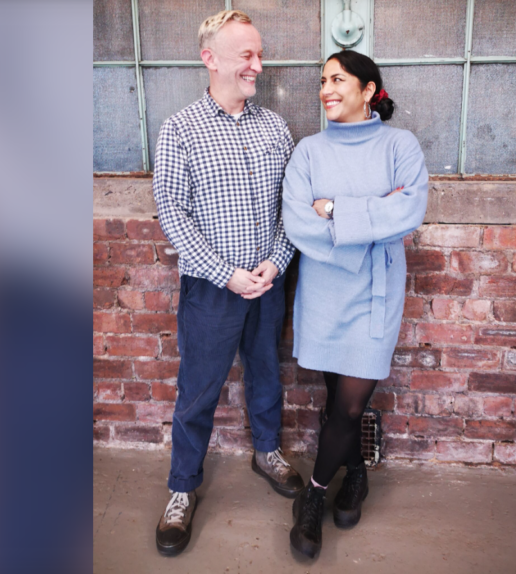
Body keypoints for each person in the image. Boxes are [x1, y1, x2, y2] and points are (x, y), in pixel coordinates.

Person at [151, 9, 305, 556]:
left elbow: (294, 205)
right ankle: (181, 488)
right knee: (198, 391)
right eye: (247, 55)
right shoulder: (180, 129)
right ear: (209, 57)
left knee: (267, 372)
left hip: (266, 282)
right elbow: (172, 211)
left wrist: (277, 261)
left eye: (259, 55)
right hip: (212, 289)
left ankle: (268, 451)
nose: (258, 66)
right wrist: (226, 273)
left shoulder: (274, 127)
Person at [281, 50, 429, 558]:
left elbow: (409, 210)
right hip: (323, 292)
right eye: (323, 80)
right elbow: (299, 223)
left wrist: (339, 209)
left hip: (374, 294)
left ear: (368, 89)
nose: (326, 89)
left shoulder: (399, 145)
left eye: (338, 79)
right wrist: (371, 222)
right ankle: (357, 476)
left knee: (349, 405)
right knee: (334, 397)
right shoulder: (308, 152)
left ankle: (313, 500)